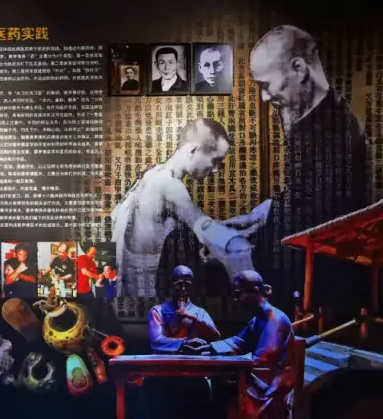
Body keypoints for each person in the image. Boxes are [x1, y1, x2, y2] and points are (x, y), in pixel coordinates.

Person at [251, 25, 368, 308]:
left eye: (266, 85)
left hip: (322, 285)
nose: (264, 97)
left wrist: (269, 213)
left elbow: (319, 215)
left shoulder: (339, 130)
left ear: (299, 69)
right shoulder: (305, 117)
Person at [111, 117, 264, 297]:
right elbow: (204, 227)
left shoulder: (148, 177)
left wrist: (236, 228)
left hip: (123, 290)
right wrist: (239, 246)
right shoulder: (169, 185)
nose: (215, 169)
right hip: (144, 293)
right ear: (193, 150)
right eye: (215, 160)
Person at [137, 266, 220, 419]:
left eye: (187, 285)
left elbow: (215, 336)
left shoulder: (199, 312)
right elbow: (157, 341)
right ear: (171, 284)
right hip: (162, 375)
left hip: (193, 374)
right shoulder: (158, 311)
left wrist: (195, 319)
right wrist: (183, 343)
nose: (183, 289)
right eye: (179, 284)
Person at [210, 271, 294, 418]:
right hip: (258, 379)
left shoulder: (275, 319)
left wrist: (235, 368)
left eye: (239, 294)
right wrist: (208, 347)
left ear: (255, 291)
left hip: (271, 387)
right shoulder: (258, 319)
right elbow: (238, 341)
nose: (236, 300)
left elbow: (264, 360)